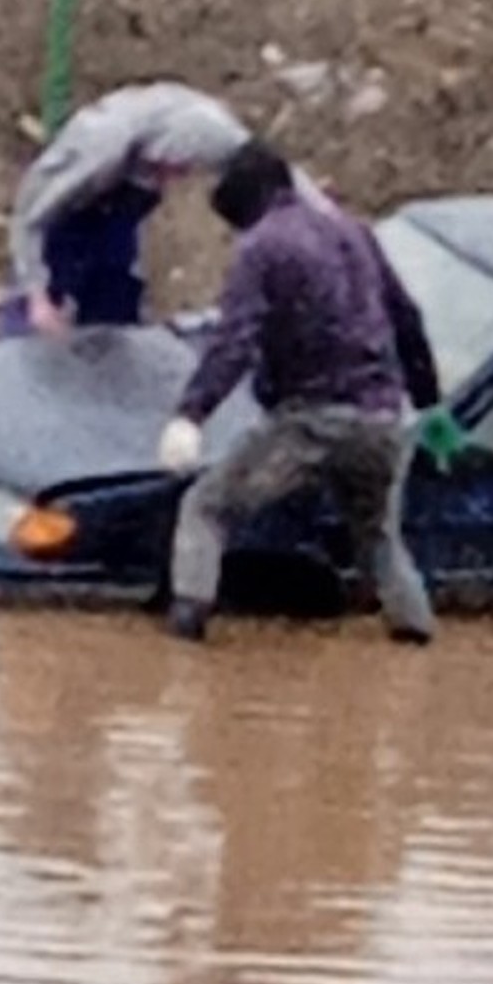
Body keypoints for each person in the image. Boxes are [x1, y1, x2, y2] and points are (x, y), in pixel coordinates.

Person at [155, 139, 442, 645]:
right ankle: (416, 636)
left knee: (206, 507)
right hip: (382, 421)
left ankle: (186, 633)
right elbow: (406, 318)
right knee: (379, 538)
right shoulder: (353, 231)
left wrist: (190, 415)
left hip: (309, 420)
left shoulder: (261, 248)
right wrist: (430, 403)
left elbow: (234, 343)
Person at [0, 80, 252, 337]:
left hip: (113, 247)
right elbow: (31, 221)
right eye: (174, 167)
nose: (175, 179)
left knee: (117, 315)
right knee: (30, 331)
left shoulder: (197, 121)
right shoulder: (101, 151)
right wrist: (37, 299)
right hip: (62, 230)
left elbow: (260, 164)